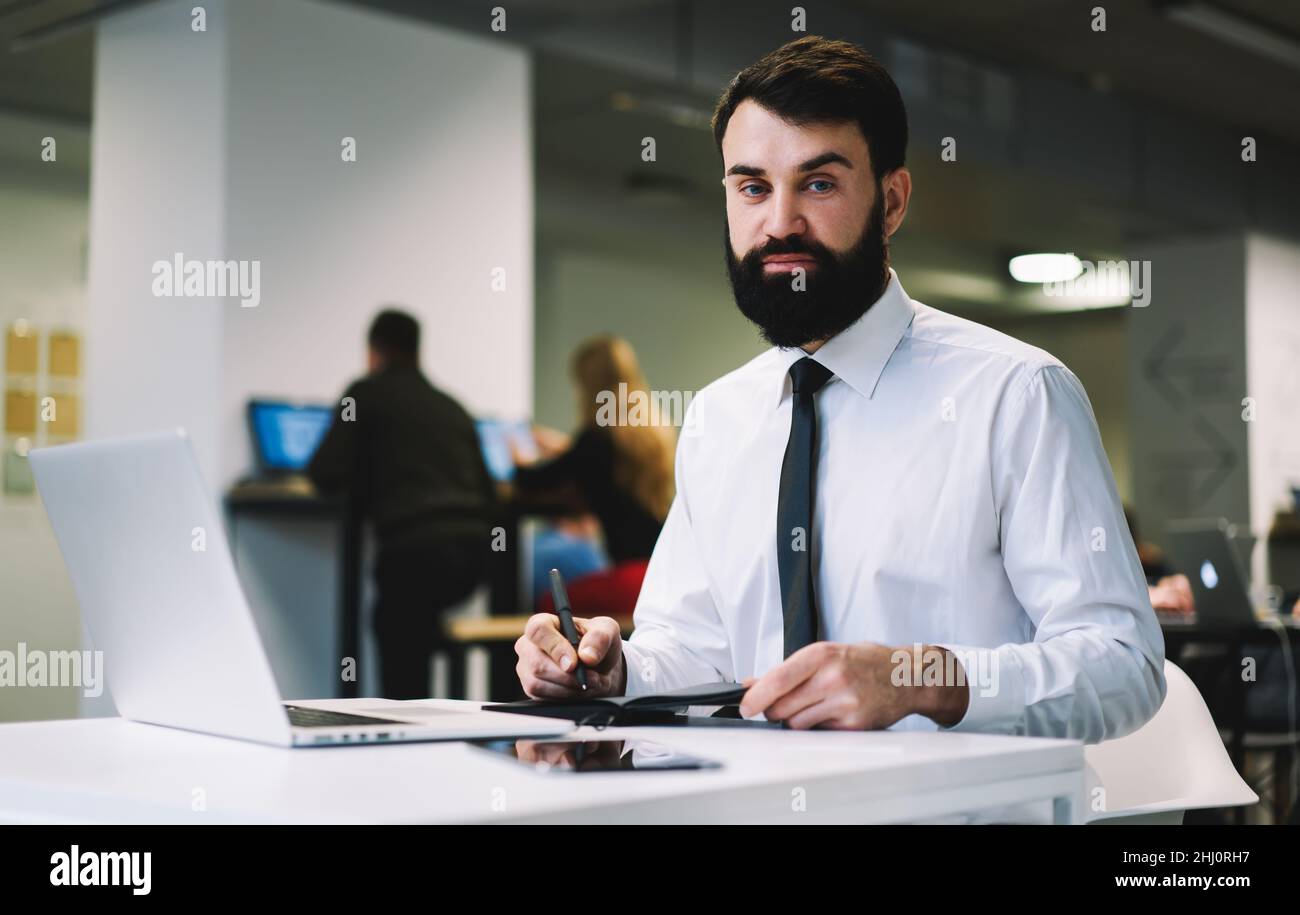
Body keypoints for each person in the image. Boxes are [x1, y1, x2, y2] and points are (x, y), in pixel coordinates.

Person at [514, 36, 1166, 742]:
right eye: (753, 187)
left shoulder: (1017, 395)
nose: (780, 222)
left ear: (891, 201)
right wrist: (618, 673)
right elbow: (698, 648)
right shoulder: (718, 417)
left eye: (818, 183)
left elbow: (1123, 664)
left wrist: (919, 679)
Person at [309, 309, 495, 699]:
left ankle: (405, 735)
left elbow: (324, 471)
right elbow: (489, 492)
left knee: (398, 626)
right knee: (414, 620)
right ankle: (443, 731)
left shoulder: (365, 393)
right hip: (473, 561)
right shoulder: (452, 406)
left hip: (414, 555)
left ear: (375, 351)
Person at [513, 336, 675, 623]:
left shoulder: (595, 438)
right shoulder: (651, 434)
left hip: (630, 580)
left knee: (549, 604)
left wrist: (516, 458)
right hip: (662, 573)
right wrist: (566, 448)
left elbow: (532, 480)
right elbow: (604, 464)